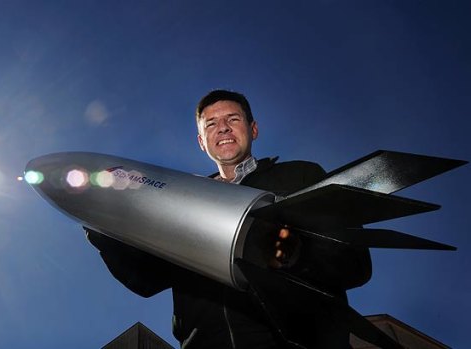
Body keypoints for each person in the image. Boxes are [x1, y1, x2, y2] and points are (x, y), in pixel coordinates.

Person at [86, 90, 372, 348]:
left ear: (253, 129)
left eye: (232, 119)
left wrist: (285, 249)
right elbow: (146, 280)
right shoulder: (183, 202)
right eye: (210, 124)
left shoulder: (301, 176)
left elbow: (355, 264)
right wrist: (101, 226)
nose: (221, 127)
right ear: (201, 142)